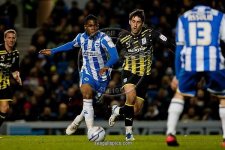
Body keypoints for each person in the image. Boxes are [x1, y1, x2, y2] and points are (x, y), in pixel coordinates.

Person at [39, 14, 119, 135]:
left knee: (93, 102)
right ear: (85, 26)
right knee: (87, 94)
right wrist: (53, 51)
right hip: (87, 72)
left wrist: (106, 65)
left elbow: (115, 56)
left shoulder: (104, 38)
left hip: (102, 76)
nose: (94, 28)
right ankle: (91, 130)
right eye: (90, 26)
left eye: (96, 26)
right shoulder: (81, 37)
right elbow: (71, 44)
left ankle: (77, 120)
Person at [108, 9, 175, 141]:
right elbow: (114, 56)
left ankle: (117, 111)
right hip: (129, 72)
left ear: (142, 23)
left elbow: (167, 42)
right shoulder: (123, 37)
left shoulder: (150, 34)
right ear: (129, 22)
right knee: (130, 96)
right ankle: (128, 133)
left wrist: (179, 54)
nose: (135, 24)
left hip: (145, 76)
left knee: (136, 109)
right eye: (133, 21)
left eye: (138, 22)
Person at [165, 0, 225, 147]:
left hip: (190, 61)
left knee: (179, 94)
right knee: (223, 98)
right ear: (211, 2)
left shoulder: (184, 17)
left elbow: (179, 49)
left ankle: (170, 134)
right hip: (213, 60)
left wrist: (177, 75)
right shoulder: (220, 16)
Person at [0, 29, 22, 130]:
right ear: (5, 39)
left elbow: (14, 69)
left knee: (5, 108)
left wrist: (17, 76)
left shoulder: (16, 53)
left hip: (4, 82)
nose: (11, 40)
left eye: (13, 38)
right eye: (9, 37)